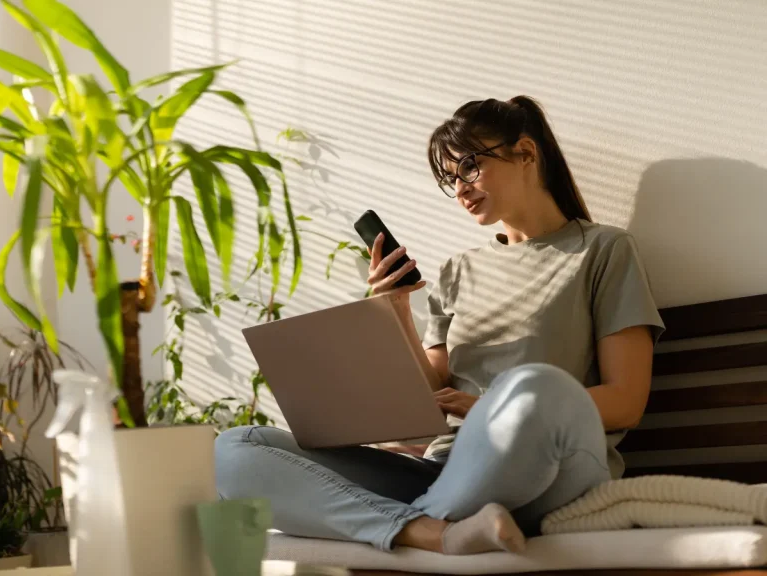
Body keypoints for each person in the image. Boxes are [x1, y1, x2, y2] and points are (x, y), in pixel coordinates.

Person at [214, 96, 666, 555]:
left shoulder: (604, 251)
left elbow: (626, 401)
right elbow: (429, 395)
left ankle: (426, 515)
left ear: (526, 153)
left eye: (469, 166)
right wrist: (396, 312)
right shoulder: (457, 271)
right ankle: (434, 532)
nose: (461, 188)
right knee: (237, 447)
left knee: (538, 388)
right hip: (447, 469)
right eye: (451, 179)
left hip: (551, 468)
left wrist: (490, 409)